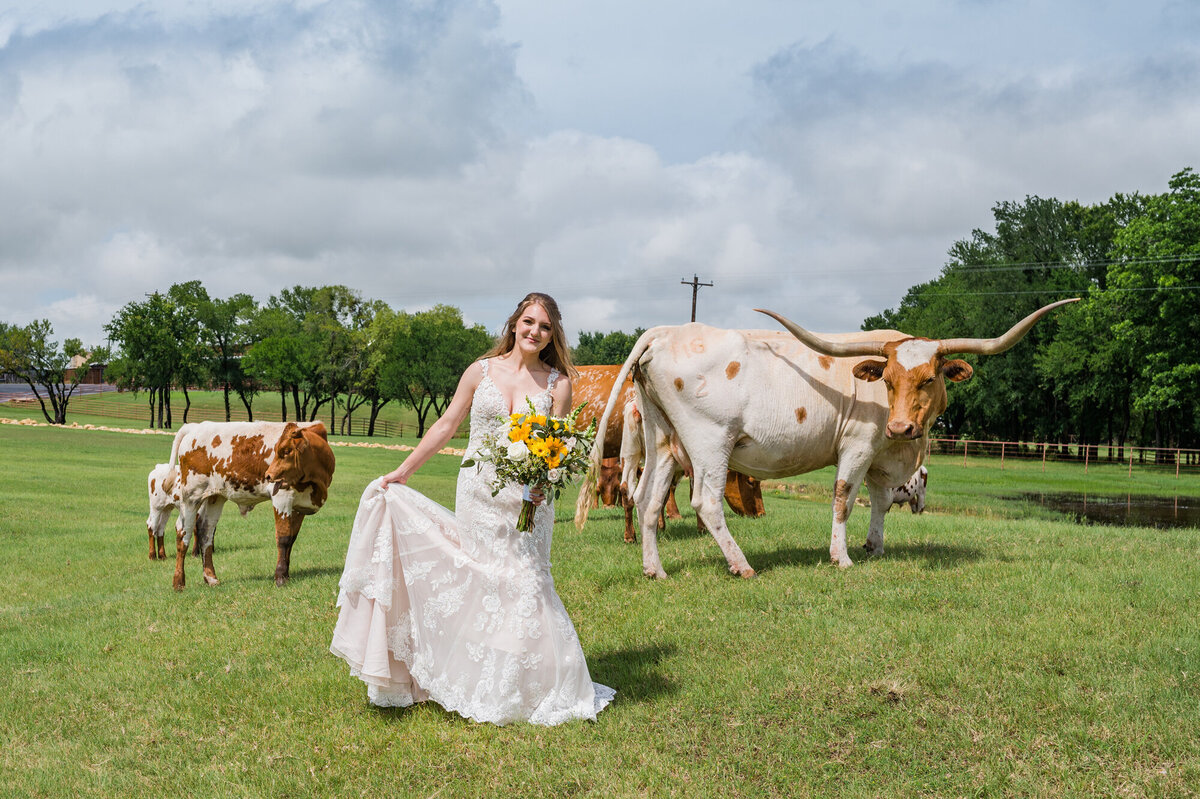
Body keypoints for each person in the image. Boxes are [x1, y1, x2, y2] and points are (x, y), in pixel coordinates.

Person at [330, 292, 615, 725]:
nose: (534, 331)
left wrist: (541, 485)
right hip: (479, 493)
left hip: (528, 503)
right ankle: (466, 676)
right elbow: (447, 424)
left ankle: (531, 687)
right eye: (528, 322)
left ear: (552, 333)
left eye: (544, 326)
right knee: (479, 582)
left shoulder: (558, 383)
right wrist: (403, 471)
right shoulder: (480, 371)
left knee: (527, 585)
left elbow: (557, 446)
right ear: (514, 323)